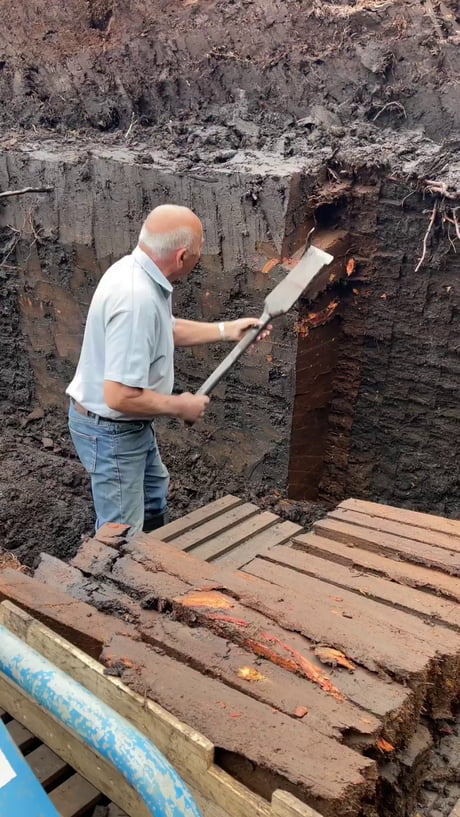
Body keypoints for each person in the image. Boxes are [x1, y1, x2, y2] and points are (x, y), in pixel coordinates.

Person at [66, 204, 269, 535]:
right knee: (120, 534)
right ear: (181, 257)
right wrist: (180, 406)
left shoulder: (138, 272)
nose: (199, 258)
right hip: (111, 431)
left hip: (127, 427)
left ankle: (150, 560)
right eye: (199, 252)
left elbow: (165, 328)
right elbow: (118, 396)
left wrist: (227, 330)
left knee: (153, 500)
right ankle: (115, 579)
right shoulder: (136, 299)